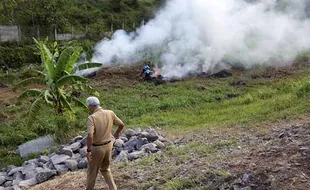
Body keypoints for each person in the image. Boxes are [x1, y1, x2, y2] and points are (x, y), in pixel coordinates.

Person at [85, 96, 124, 190]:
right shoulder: (110, 113)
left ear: (91, 106)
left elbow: (90, 135)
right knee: (105, 169)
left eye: (88, 106)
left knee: (92, 172)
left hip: (97, 148)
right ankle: (113, 188)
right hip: (108, 145)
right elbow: (121, 124)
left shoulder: (92, 118)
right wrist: (117, 132)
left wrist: (89, 150)